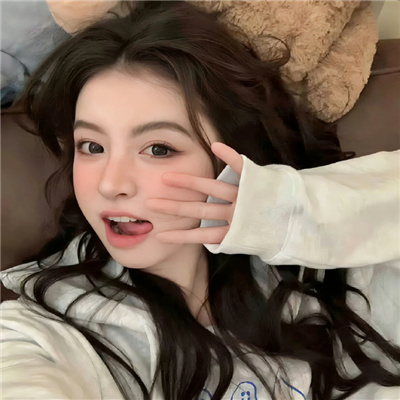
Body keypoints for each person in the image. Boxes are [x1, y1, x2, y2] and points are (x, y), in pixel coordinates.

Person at [1, 2, 399, 400]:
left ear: (232, 156)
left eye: (158, 149)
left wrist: (289, 212)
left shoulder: (325, 267)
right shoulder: (42, 333)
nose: (110, 184)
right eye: (92, 146)